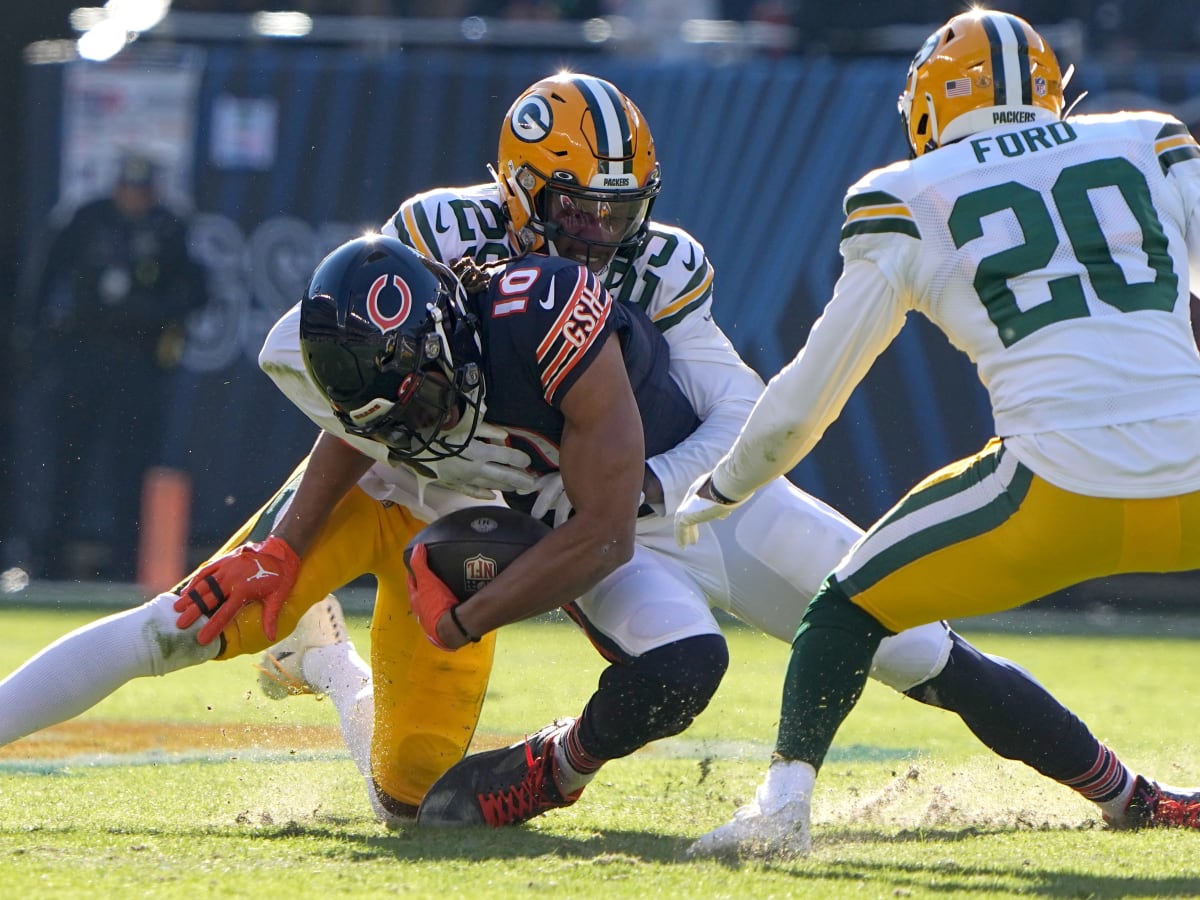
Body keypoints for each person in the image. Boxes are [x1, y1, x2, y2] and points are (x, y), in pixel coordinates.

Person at [0, 73, 1189, 833]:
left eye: (619, 208)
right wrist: (299, 536)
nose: (601, 231)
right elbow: (339, 375)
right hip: (492, 503)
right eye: (576, 208)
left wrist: (654, 496)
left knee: (911, 642)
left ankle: (1122, 794)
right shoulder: (437, 235)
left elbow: (738, 411)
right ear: (516, 191)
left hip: (666, 493)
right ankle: (363, 668)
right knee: (197, 633)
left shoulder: (657, 267)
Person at [673, 9, 1200, 859]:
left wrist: (727, 483)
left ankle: (781, 811)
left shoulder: (906, 195)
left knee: (843, 611)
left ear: (930, 107)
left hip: (1054, 495)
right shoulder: (1151, 139)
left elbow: (812, 395)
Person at [5, 152, 207, 580]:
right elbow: (43, 279)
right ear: (116, 187)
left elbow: (196, 290)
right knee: (64, 461)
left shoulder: (167, 227)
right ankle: (46, 563)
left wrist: (151, 312)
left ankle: (123, 565)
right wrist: (37, 340)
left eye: (142, 190)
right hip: (82, 357)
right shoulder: (87, 219)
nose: (134, 198)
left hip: (136, 364)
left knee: (130, 466)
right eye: (128, 189)